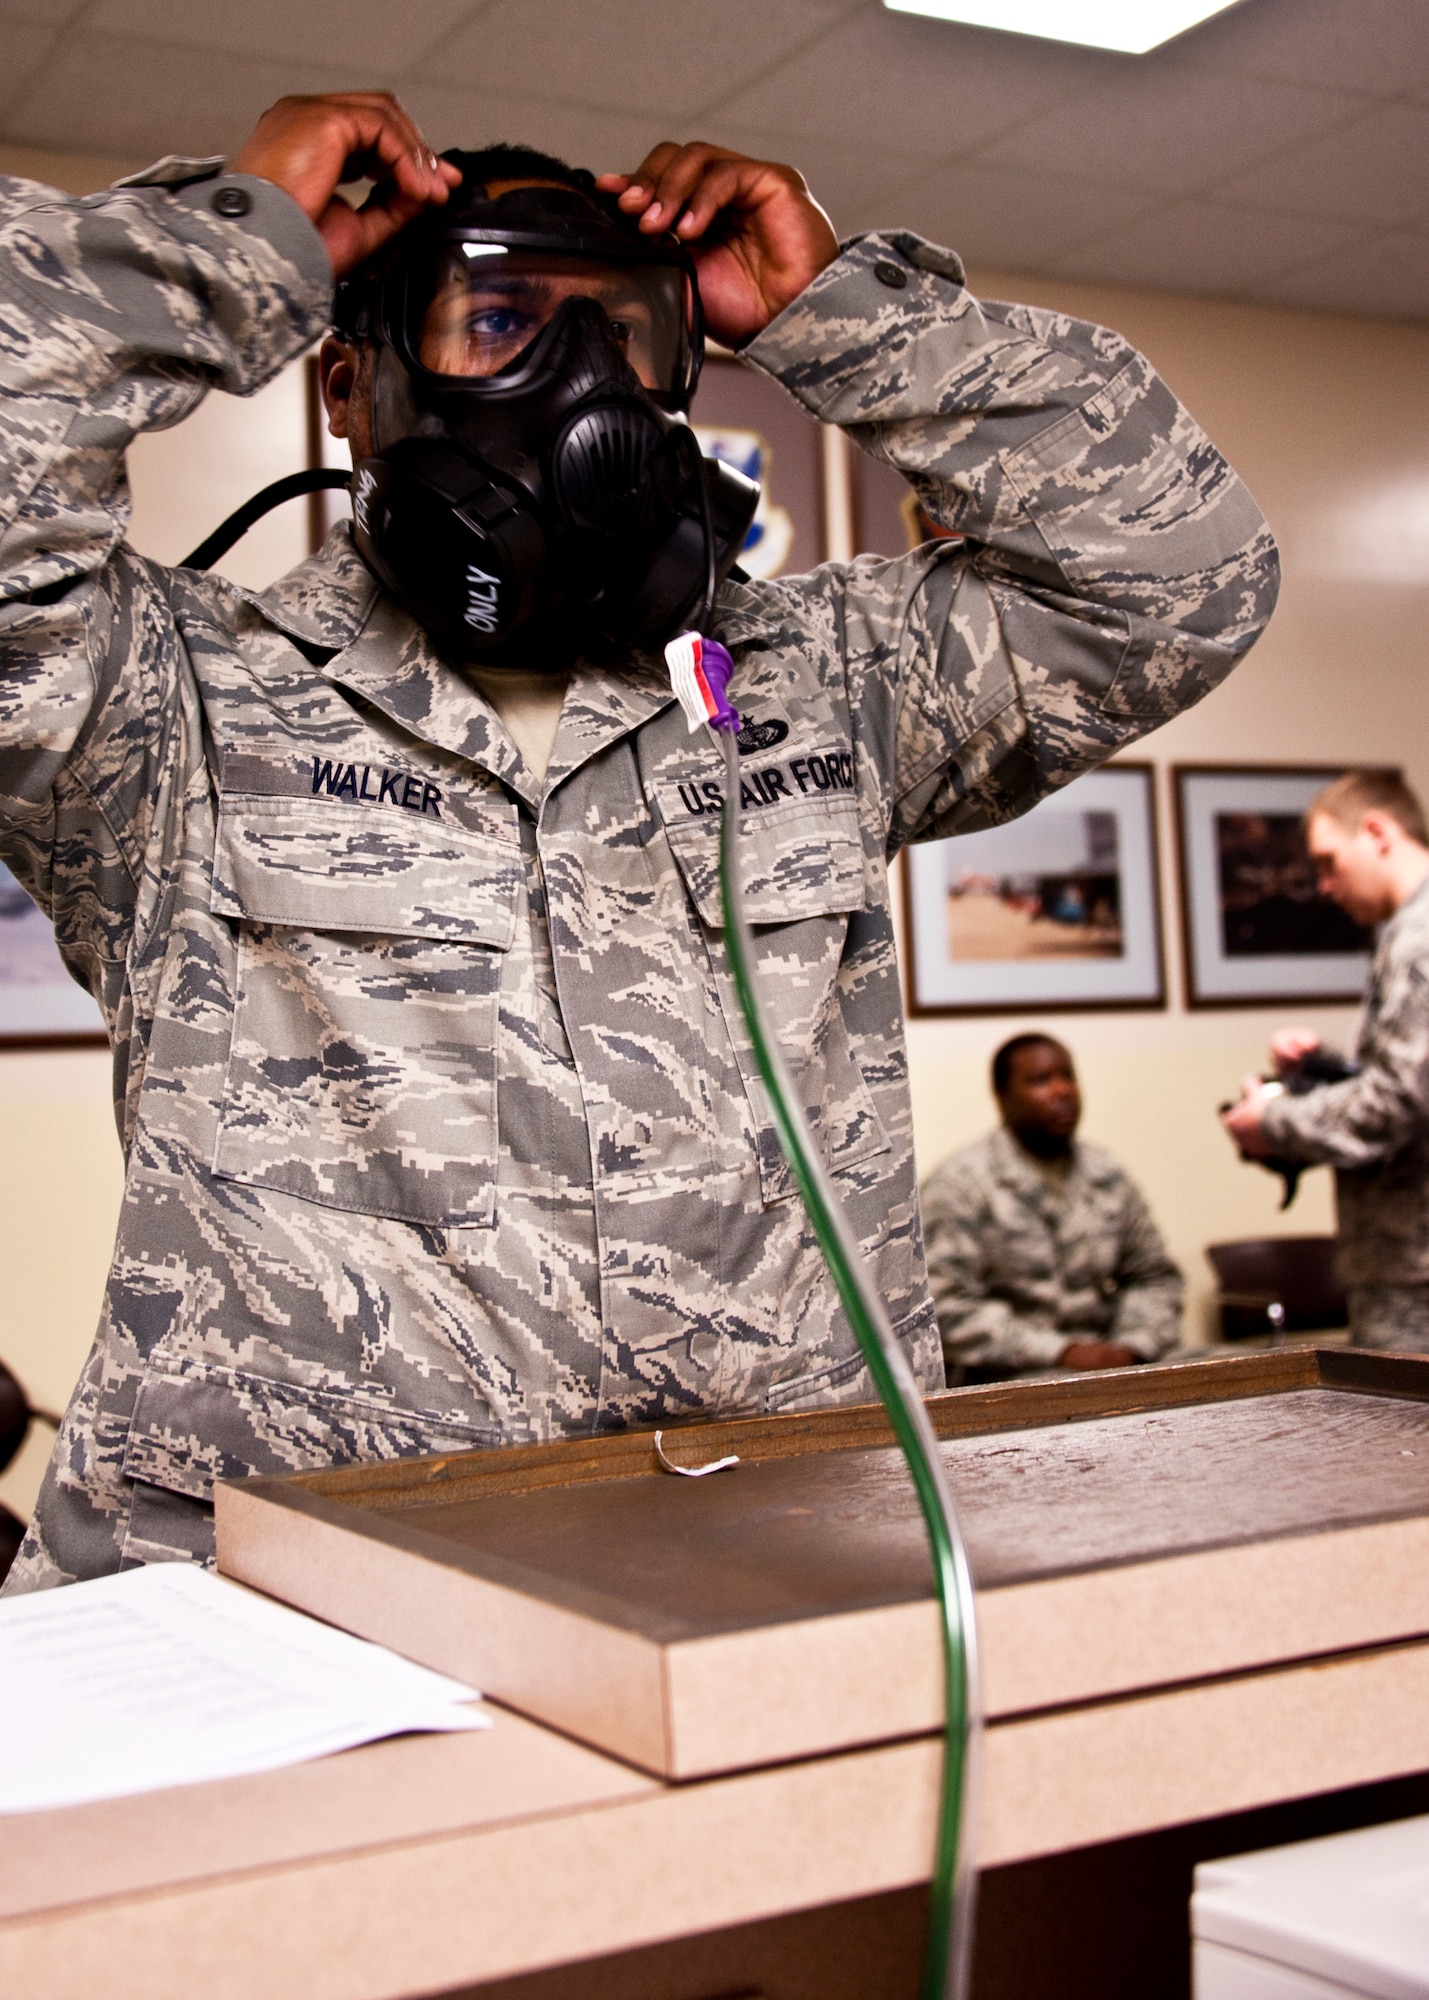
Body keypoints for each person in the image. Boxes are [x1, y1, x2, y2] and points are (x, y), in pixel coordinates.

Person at [0, 92, 1277, 1592]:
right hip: (290, 1605)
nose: (582, 379)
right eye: (500, 319)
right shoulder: (172, 701)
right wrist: (232, 240)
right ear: (351, 383)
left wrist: (836, 312)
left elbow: (1178, 577)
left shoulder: (820, 679)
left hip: (770, 1569)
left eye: (622, 331)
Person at [1221, 771, 1429, 1351]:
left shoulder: (1418, 938)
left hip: (1415, 1274)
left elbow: (1398, 1103)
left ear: (1378, 832)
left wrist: (1272, 1122)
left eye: (1329, 862)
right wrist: (1326, 1065)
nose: (1324, 886)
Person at [923, 1035, 1183, 1382]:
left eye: (1068, 1076)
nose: (1062, 1091)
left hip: (1116, 1360)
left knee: (1232, 1371)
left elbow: (1154, 1276)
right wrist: (1062, 1351)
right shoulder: (960, 1184)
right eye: (1040, 1080)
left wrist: (1132, 1346)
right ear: (1002, 1096)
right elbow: (946, 1306)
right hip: (1013, 1374)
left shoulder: (1106, 1173)